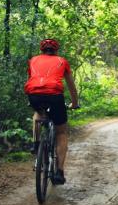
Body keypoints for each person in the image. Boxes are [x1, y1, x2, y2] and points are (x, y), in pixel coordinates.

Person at [24, 38, 79, 185]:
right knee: (61, 132)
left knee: (38, 112)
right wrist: (75, 103)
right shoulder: (62, 61)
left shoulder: (33, 60)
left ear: (42, 50)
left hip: (34, 94)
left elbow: (30, 79)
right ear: (56, 50)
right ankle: (59, 172)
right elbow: (71, 86)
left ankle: (35, 144)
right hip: (55, 96)